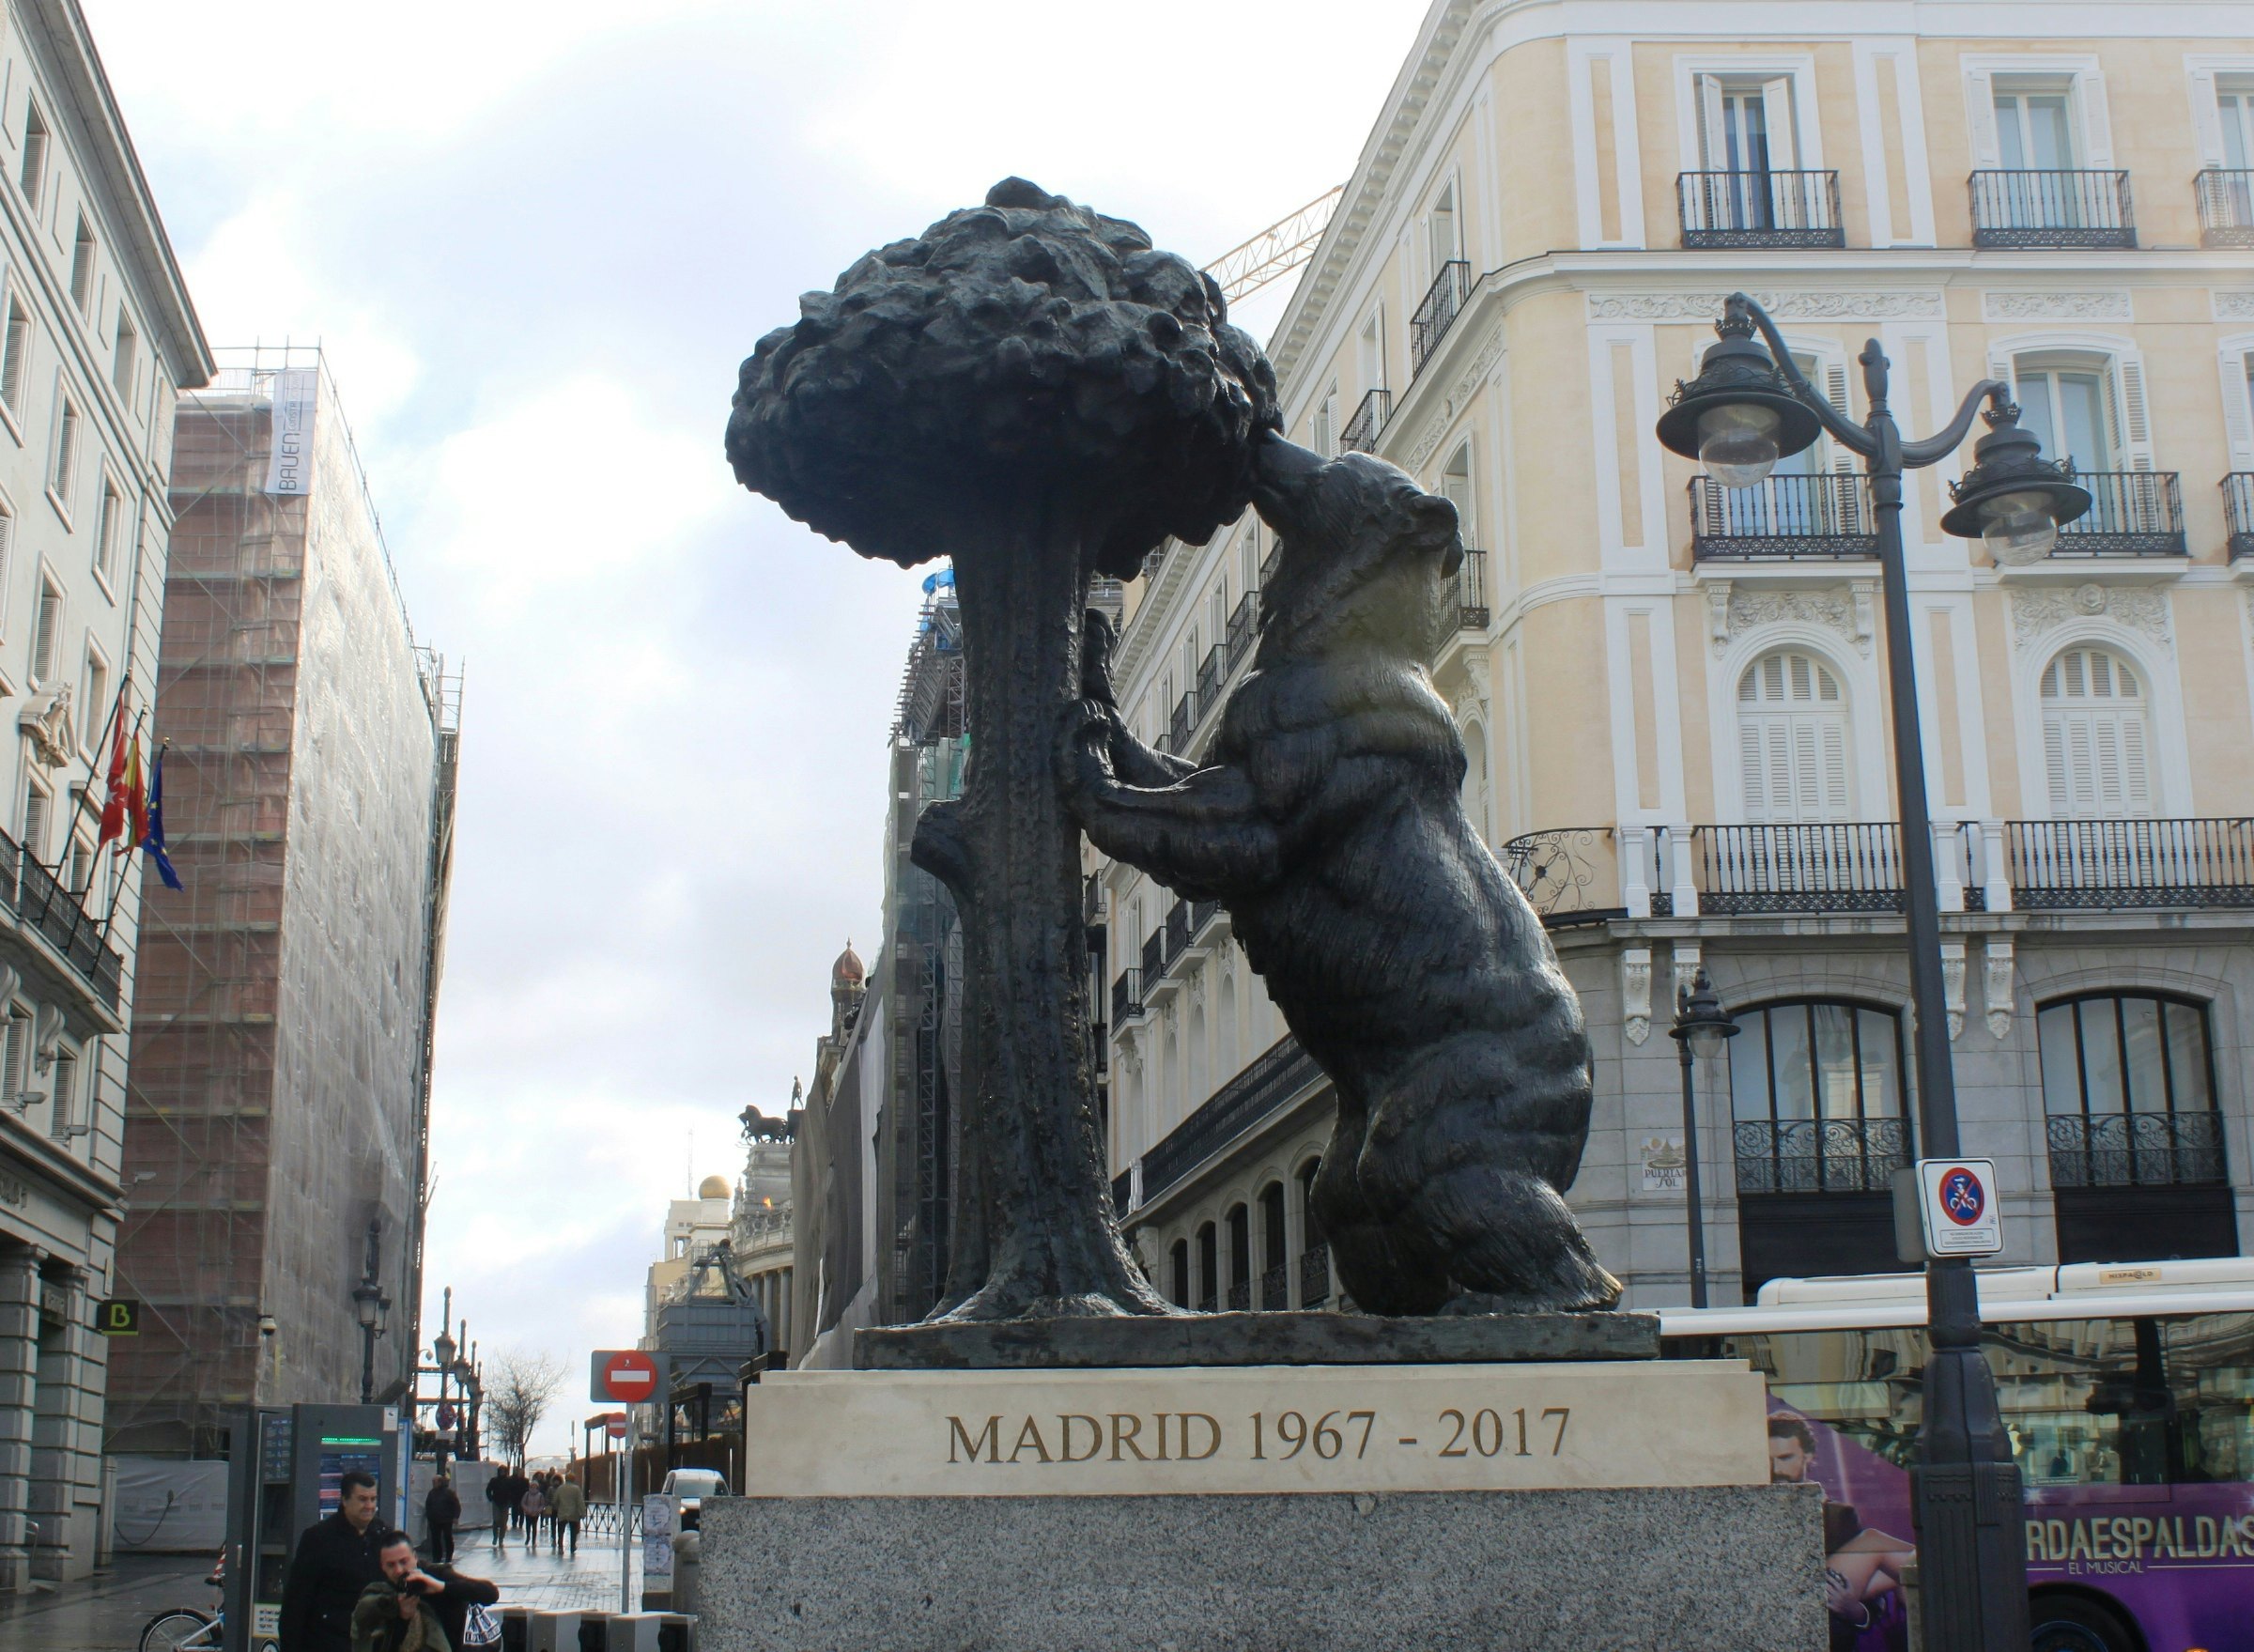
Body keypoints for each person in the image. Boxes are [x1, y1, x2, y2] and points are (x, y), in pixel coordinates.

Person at [1768, 1413, 1915, 1652]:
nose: (1776, 1469)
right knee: (1883, 1548)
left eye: (1785, 1457)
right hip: (1787, 1598)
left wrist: (1855, 1611)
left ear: (1808, 1456)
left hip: (1827, 1604)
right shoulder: (1753, 1504)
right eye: (1768, 1460)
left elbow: (1867, 1598)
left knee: (1900, 1575)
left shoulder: (1839, 1515)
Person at [279, 1470, 385, 1652]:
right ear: (344, 1500)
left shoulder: (382, 1535)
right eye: (362, 1499)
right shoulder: (319, 1539)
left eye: (373, 1499)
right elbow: (295, 1604)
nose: (369, 1506)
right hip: (329, 1641)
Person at [350, 1531, 451, 1652]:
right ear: (383, 1566)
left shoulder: (437, 1576)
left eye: (403, 1562)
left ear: (415, 1557)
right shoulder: (377, 1595)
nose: (398, 1570)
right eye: (391, 1565)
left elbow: (476, 1590)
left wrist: (442, 1587)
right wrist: (403, 1618)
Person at [423, 1474, 460, 1563]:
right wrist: (429, 1515)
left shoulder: (449, 1493)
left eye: (434, 1482)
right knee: (436, 1539)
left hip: (446, 1519)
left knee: (448, 1537)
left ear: (440, 1482)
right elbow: (428, 1504)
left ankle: (448, 1556)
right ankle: (436, 1557)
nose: (433, 1484)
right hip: (434, 1520)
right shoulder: (431, 1493)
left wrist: (455, 1517)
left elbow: (456, 1505)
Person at [548, 1474, 585, 1557]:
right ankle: (572, 1546)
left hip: (562, 1512)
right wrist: (583, 1512)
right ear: (573, 1479)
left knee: (561, 1531)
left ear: (565, 1479)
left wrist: (558, 1507)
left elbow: (555, 1500)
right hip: (573, 1513)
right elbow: (580, 1501)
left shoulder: (560, 1488)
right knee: (573, 1531)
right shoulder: (576, 1489)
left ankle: (560, 1546)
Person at [482, 1469, 511, 1550]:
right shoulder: (494, 1480)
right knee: (496, 1520)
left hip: (505, 1503)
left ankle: (501, 1539)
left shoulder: (508, 1481)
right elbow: (488, 1490)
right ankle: (495, 1537)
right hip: (496, 1502)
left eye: (504, 1471)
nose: (502, 1473)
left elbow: (511, 1491)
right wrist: (491, 1498)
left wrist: (510, 1501)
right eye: (501, 1471)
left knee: (503, 1522)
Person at [518, 1475, 546, 1551]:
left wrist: (538, 1510)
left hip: (536, 1514)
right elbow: (523, 1503)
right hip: (528, 1513)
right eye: (532, 1486)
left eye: (535, 1486)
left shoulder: (540, 1495)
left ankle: (533, 1540)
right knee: (527, 1526)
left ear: (537, 1487)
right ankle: (528, 1537)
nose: (533, 1487)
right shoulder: (527, 1494)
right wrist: (526, 1509)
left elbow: (542, 1504)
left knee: (534, 1527)